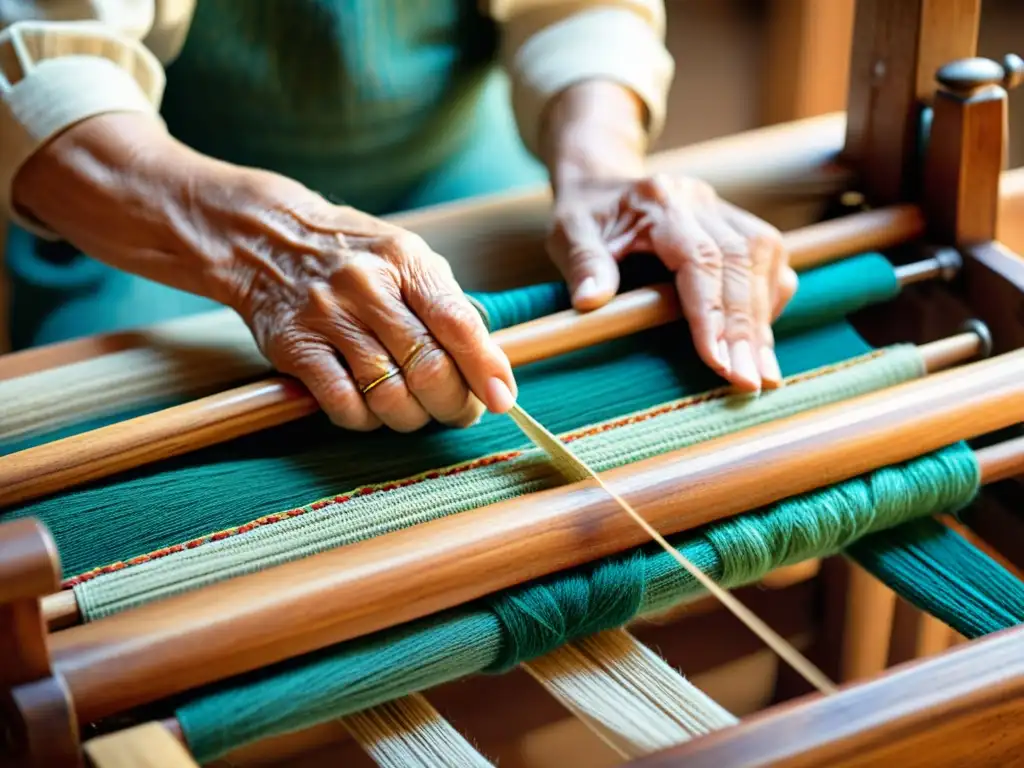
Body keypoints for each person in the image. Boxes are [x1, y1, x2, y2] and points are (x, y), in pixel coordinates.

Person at [0, 0, 796, 435]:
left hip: (455, 163)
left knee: (619, 378)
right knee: (97, 475)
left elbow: (574, 9)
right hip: (164, 196)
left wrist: (605, 168)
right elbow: (47, 57)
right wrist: (268, 251)